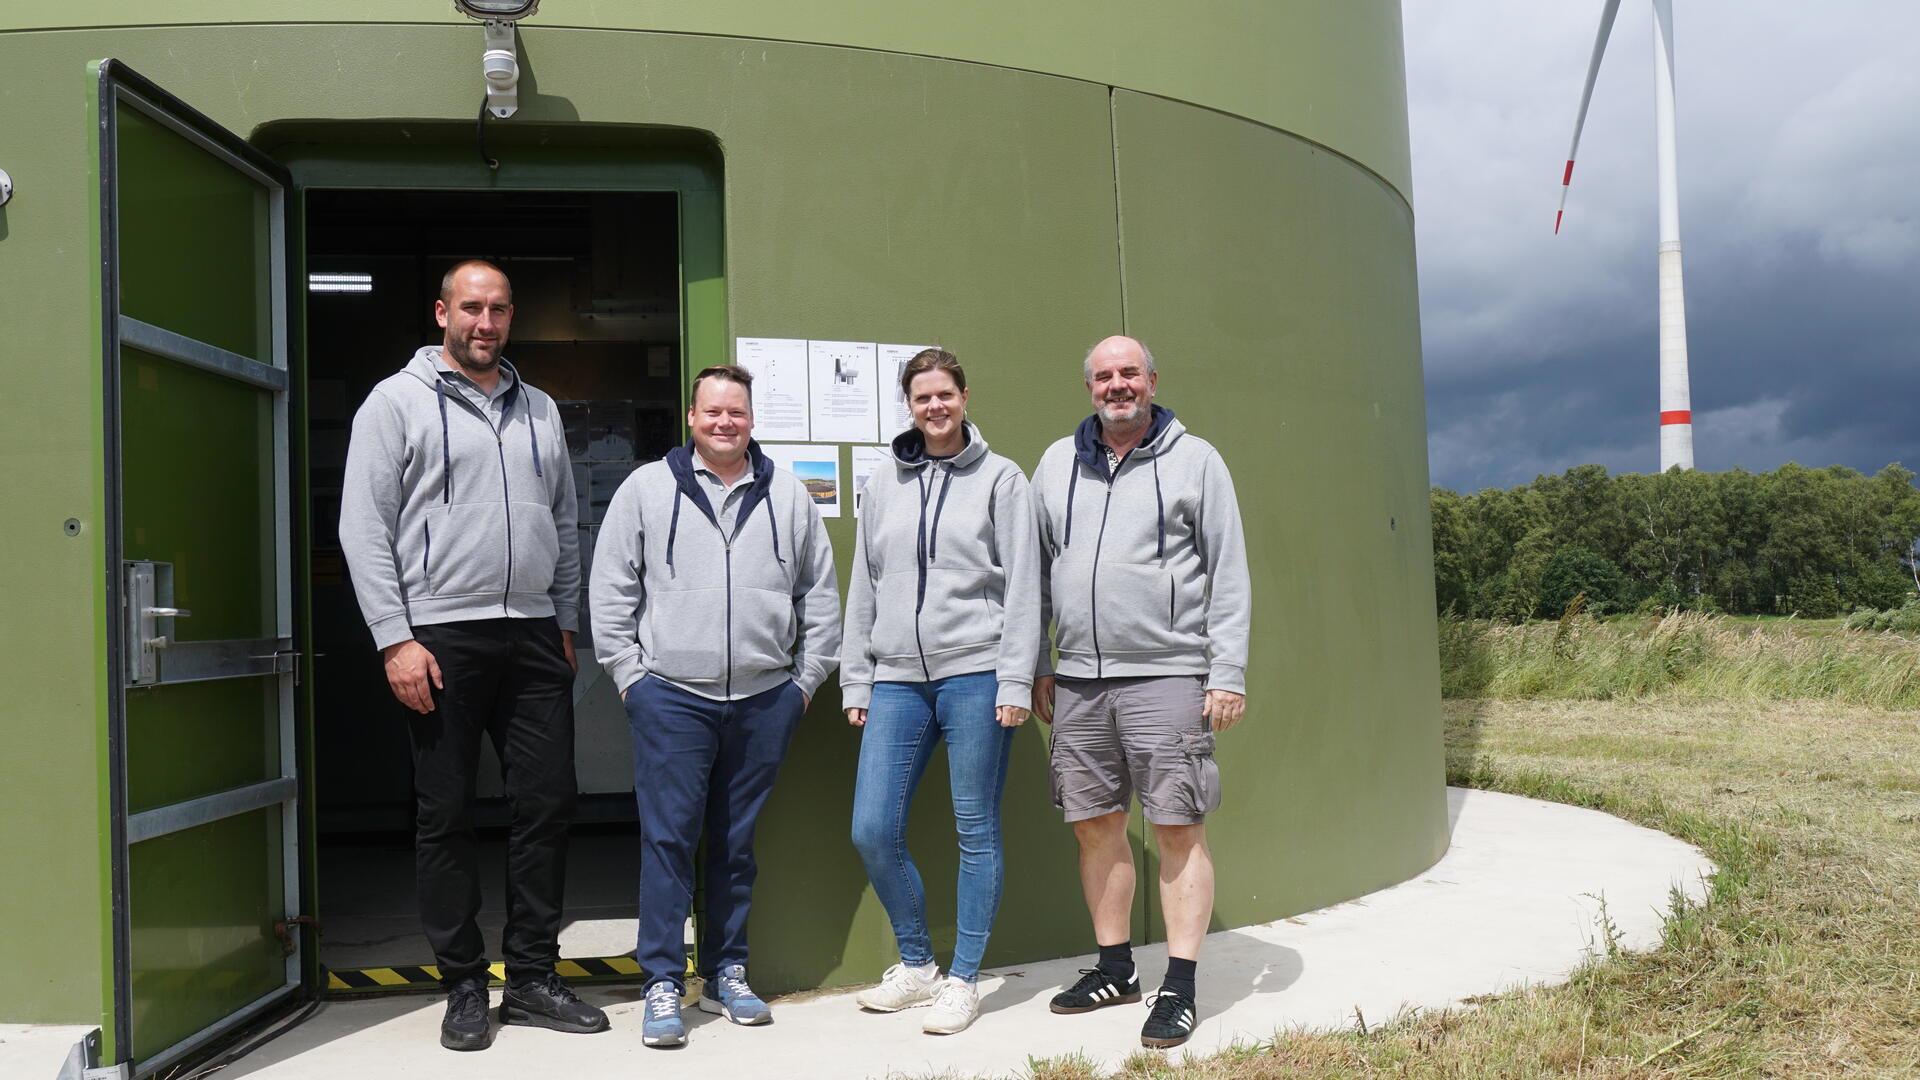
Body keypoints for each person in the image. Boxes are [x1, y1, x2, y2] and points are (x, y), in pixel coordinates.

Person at [339, 260, 609, 1052]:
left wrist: (562, 620)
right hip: (438, 636)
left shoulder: (541, 410)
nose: (484, 323)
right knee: (445, 813)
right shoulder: (394, 404)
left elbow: (564, 523)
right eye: (470, 308)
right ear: (441, 313)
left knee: (549, 802)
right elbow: (364, 528)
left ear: (511, 317)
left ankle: (530, 978)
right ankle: (463, 982)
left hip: (531, 635)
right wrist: (396, 637)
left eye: (497, 310)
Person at [589, 364, 841, 1047]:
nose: (725, 422)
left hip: (763, 700)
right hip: (672, 698)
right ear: (692, 418)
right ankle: (663, 983)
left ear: (751, 420)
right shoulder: (646, 490)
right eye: (714, 411)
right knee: (669, 842)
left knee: (734, 845)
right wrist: (631, 680)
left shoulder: (788, 496)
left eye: (737, 411)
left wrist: (804, 683)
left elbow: (820, 597)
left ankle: (728, 971)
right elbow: (611, 592)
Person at [1030, 335, 1251, 1050]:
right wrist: (1038, 664)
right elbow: (1033, 575)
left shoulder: (1197, 461)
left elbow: (1229, 573)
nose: (1116, 385)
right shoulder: (1057, 464)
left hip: (1166, 671)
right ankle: (1116, 968)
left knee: (1176, 827)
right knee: (1095, 823)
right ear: (1088, 386)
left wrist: (1227, 672)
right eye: (1103, 375)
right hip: (1080, 680)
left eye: (1129, 373)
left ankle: (1180, 987)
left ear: (1153, 380)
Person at [840, 349, 1041, 1035]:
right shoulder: (884, 481)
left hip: (976, 674)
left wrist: (1015, 676)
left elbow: (1022, 588)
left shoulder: (1002, 480)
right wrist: (856, 675)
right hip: (897, 676)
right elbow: (864, 583)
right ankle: (919, 963)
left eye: (945, 394)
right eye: (922, 396)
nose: (934, 407)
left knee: (975, 828)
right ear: (909, 403)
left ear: (964, 395)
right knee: (872, 827)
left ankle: (964, 979)